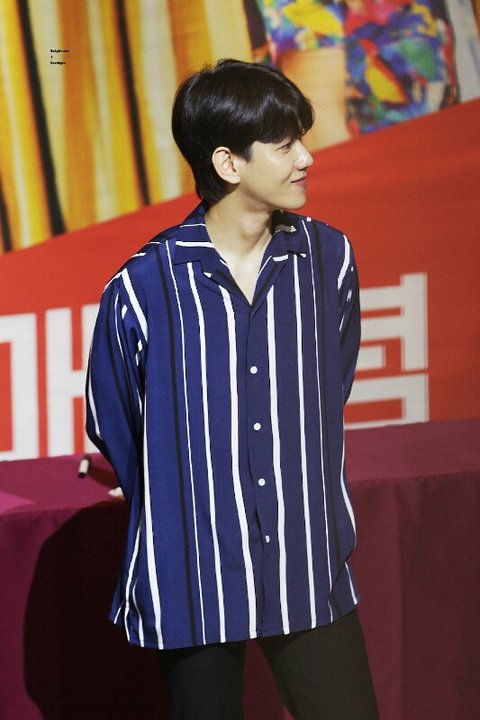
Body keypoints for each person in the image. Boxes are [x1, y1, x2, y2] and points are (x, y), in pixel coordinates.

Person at [86, 58, 379, 720]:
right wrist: (179, 500)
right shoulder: (144, 285)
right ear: (228, 162)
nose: (306, 158)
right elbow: (116, 421)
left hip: (306, 559)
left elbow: (330, 386)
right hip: (193, 569)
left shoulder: (328, 260)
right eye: (285, 145)